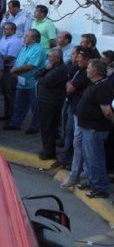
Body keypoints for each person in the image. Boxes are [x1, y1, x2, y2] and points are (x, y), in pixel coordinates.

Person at [75, 59, 113, 198]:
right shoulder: (96, 84)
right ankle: (92, 182)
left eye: (89, 67)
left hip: (95, 129)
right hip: (89, 127)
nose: (87, 69)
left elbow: (107, 112)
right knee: (89, 157)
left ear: (96, 71)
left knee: (95, 158)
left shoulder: (102, 87)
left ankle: (100, 187)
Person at [59, 47, 93, 188]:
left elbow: (69, 88)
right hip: (75, 110)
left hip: (81, 115)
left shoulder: (84, 74)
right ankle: (82, 173)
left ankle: (75, 176)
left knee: (79, 145)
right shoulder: (78, 70)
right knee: (78, 143)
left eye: (80, 59)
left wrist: (69, 85)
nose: (77, 61)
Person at [5, 29, 46, 133]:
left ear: (34, 39)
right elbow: (18, 61)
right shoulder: (24, 47)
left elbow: (30, 66)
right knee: (19, 104)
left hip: (33, 82)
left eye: (27, 36)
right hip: (21, 81)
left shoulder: (38, 49)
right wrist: (14, 69)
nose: (24, 38)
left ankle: (35, 126)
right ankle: (15, 123)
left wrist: (15, 70)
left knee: (34, 106)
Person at [35, 48, 68, 159]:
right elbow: (36, 74)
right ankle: (47, 149)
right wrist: (45, 69)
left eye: (51, 57)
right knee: (45, 126)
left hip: (51, 102)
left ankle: (49, 151)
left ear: (58, 59)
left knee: (49, 127)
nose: (49, 58)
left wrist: (40, 78)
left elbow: (46, 82)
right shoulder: (51, 66)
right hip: (45, 100)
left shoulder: (60, 70)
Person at [0, 22, 22, 121]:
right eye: (4, 29)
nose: (4, 31)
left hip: (9, 69)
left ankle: (12, 116)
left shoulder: (16, 41)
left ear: (13, 30)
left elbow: (10, 57)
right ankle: (7, 114)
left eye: (7, 29)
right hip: (2, 67)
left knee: (10, 92)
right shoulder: (4, 38)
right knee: (5, 92)